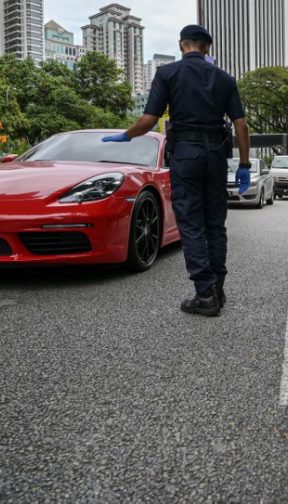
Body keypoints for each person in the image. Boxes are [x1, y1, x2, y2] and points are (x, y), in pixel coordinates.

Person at [101, 24, 250, 317]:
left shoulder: (167, 73)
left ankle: (204, 294)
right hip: (216, 155)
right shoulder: (225, 79)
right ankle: (218, 287)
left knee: (191, 223)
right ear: (208, 48)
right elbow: (240, 125)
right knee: (215, 224)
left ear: (182, 45)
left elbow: (148, 119)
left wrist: (126, 135)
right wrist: (244, 164)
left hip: (185, 155)